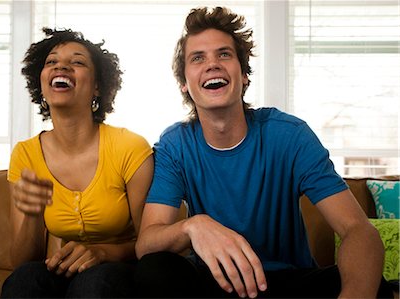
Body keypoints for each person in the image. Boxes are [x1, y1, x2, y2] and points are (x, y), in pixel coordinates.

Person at [134, 6, 393, 299]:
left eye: (224, 54)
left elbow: (358, 230)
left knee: (375, 286)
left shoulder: (290, 135)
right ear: (185, 83)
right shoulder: (175, 145)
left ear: (244, 75)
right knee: (155, 269)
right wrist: (194, 226)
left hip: (286, 282)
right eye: (198, 58)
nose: (212, 64)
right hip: (216, 284)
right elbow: (146, 244)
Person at [0, 28, 153, 298]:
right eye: (51, 62)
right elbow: (22, 261)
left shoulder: (129, 147)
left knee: (94, 286)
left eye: (78, 62)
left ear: (96, 86)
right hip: (63, 268)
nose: (61, 66)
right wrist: (33, 215)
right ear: (42, 83)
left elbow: (150, 242)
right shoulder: (25, 154)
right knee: (24, 279)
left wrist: (104, 252)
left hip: (117, 269)